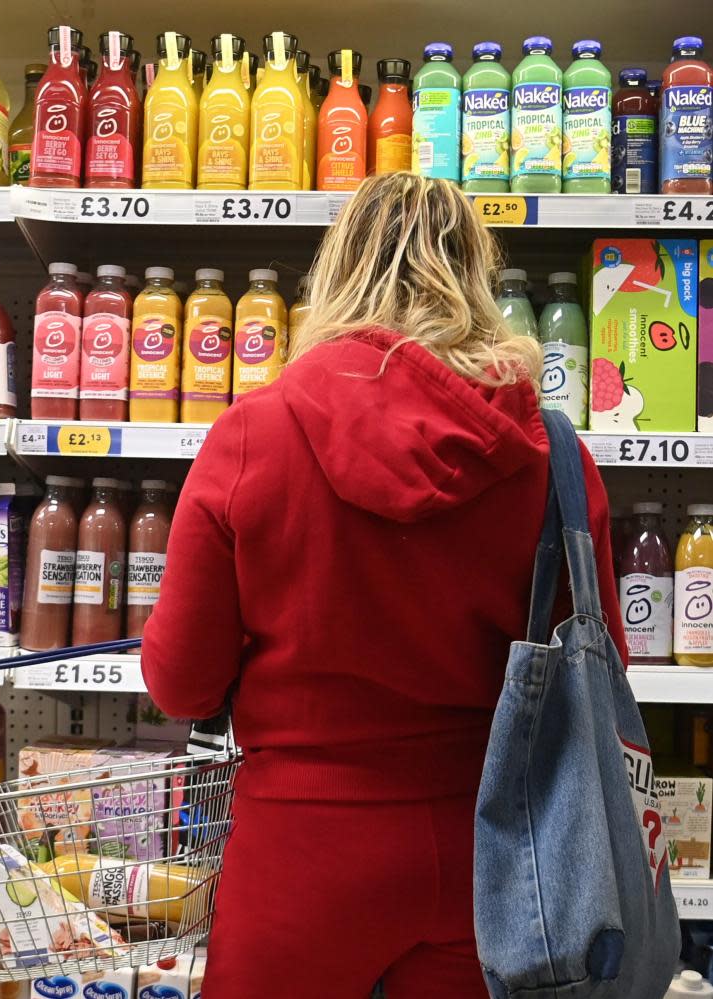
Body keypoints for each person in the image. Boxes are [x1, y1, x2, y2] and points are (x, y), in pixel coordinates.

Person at [142, 174, 626, 998]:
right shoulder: (554, 457)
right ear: (477, 277)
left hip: (299, 856)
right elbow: (600, 664)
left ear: (335, 272)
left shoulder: (254, 434)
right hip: (497, 859)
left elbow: (182, 681)